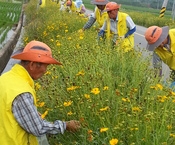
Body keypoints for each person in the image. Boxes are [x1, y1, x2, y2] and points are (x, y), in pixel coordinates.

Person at [0, 40, 81, 145]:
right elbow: (38, 128)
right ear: (33, 64)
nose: (46, 71)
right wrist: (65, 125)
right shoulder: (21, 93)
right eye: (45, 66)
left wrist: (29, 113)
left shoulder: (5, 78)